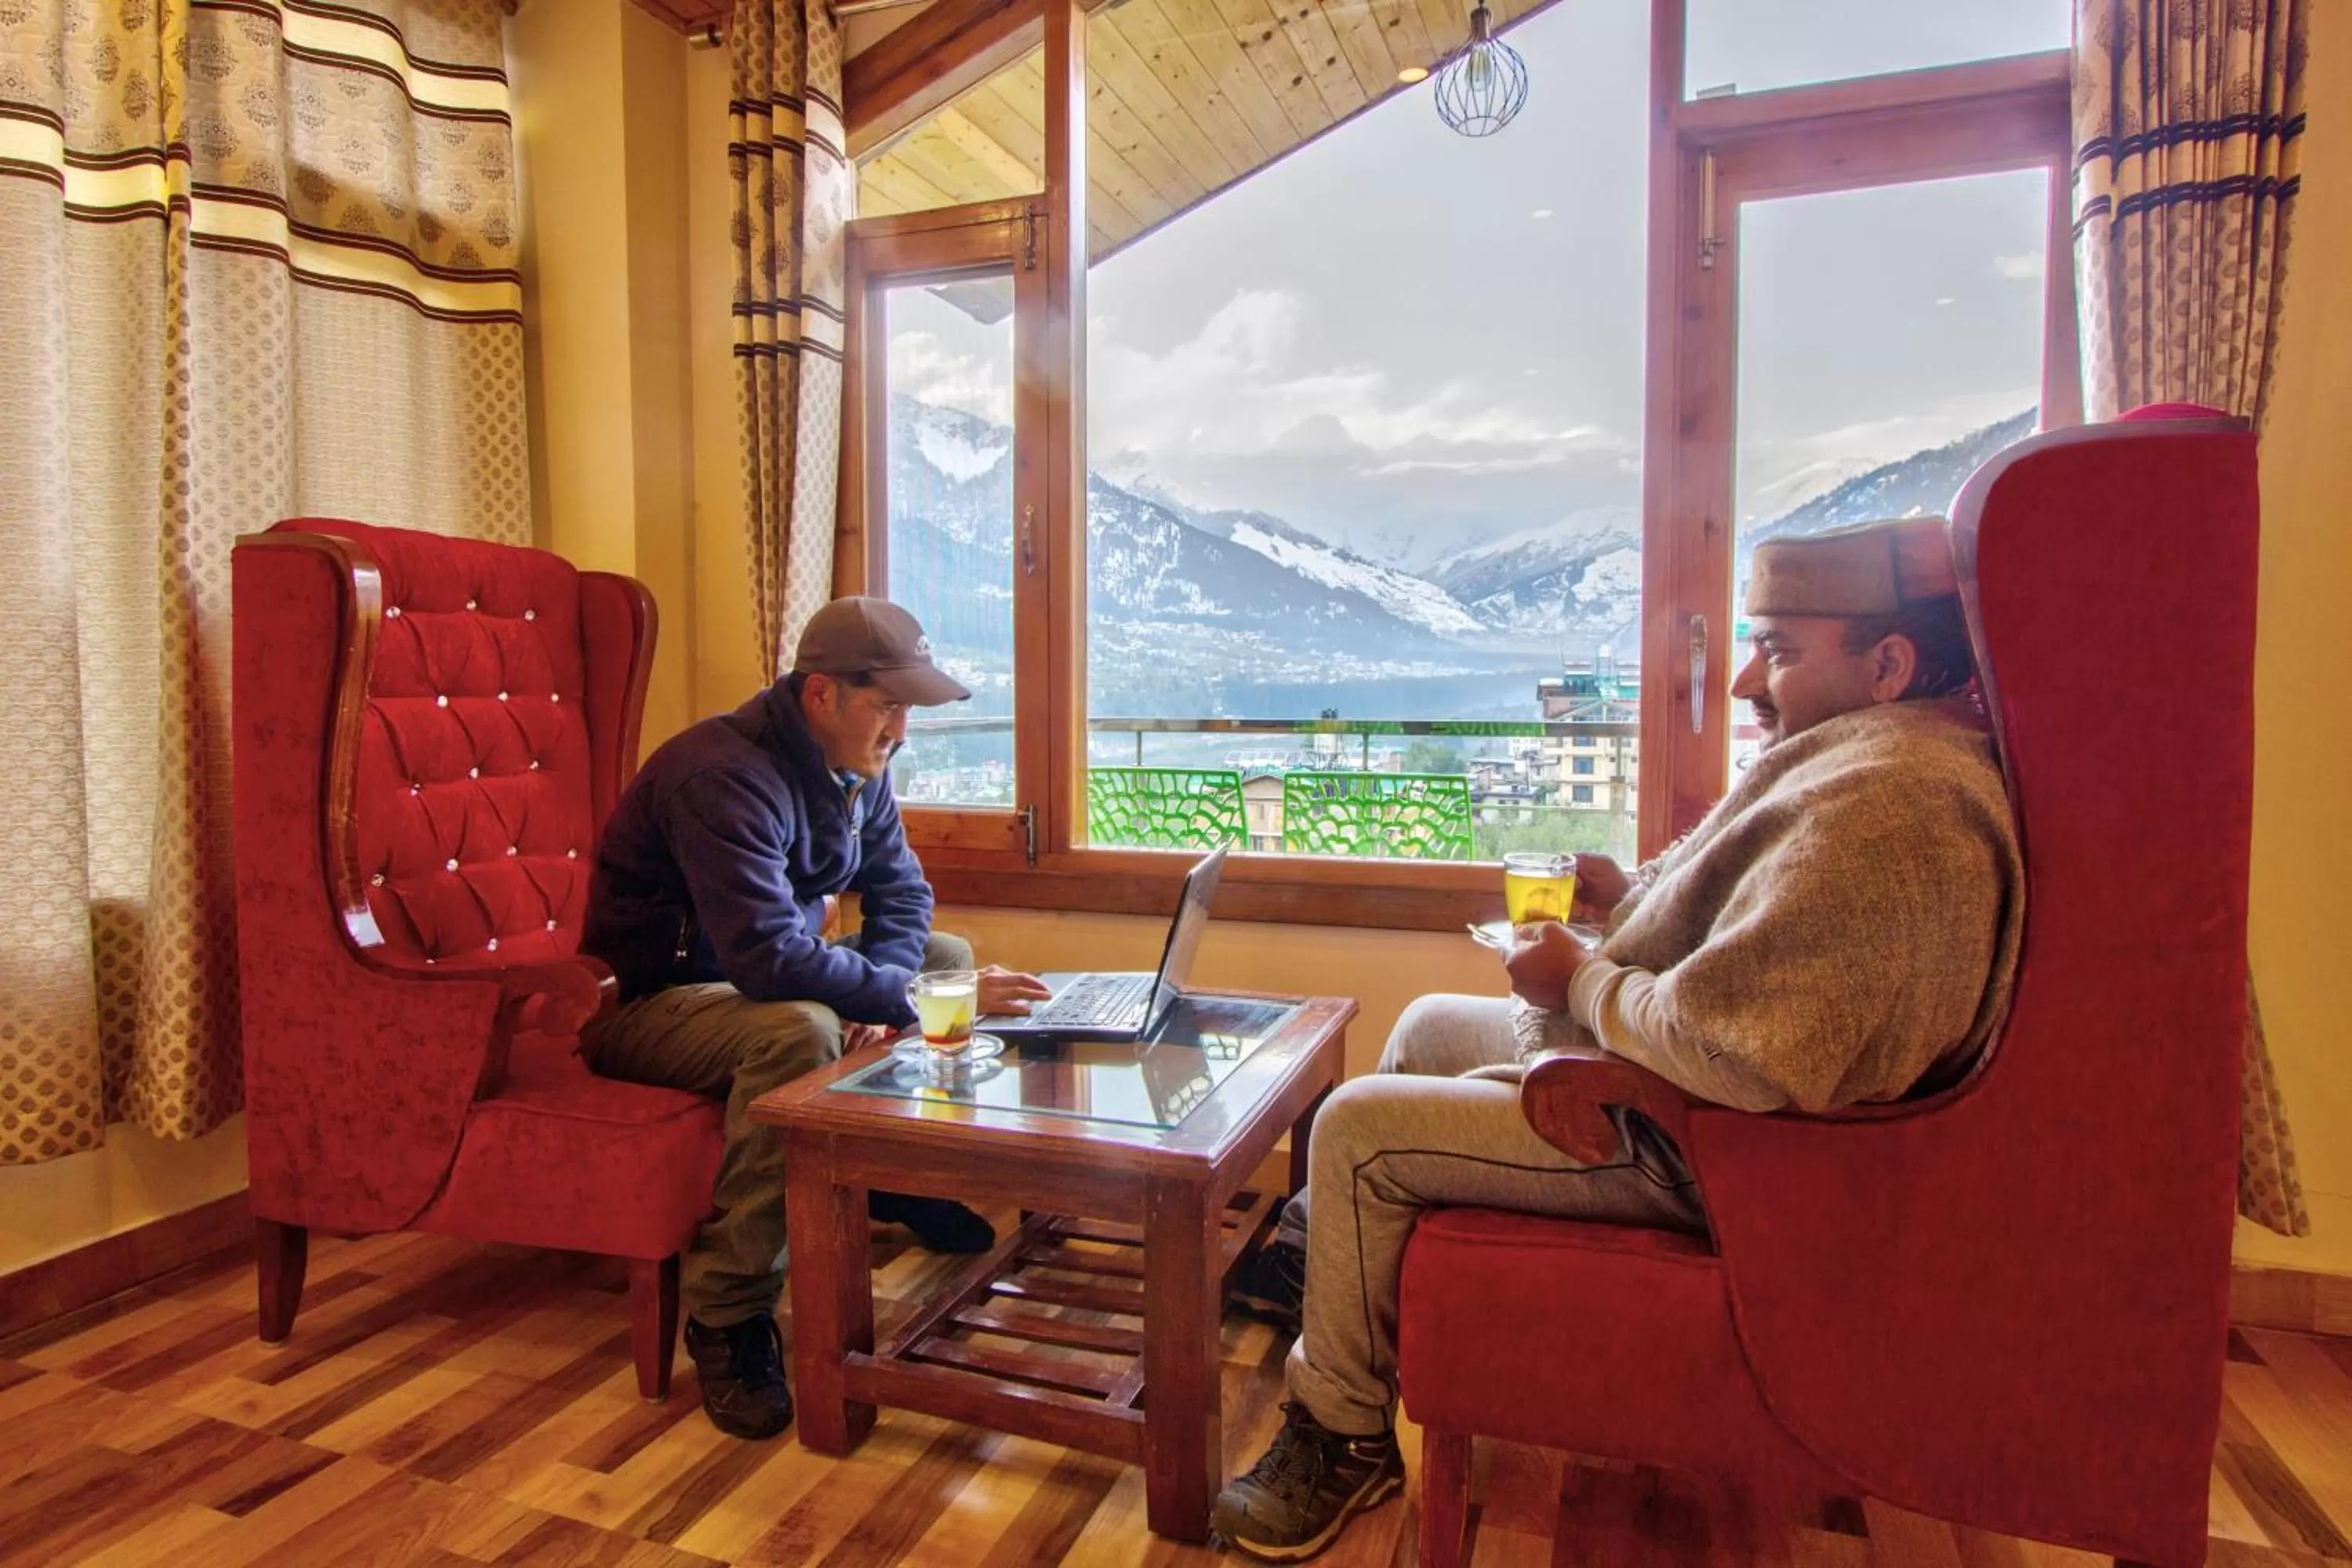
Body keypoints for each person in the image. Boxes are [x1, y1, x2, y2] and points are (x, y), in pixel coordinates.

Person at [1212, 517, 2026, 1559]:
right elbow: (1770, 948)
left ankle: (1343, 1435)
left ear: (1889, 664)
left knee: (1359, 1129)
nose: (1742, 683)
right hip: (1696, 1106)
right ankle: (1327, 1282)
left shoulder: (1892, 813)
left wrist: (1584, 982)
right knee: (1423, 1025)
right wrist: (1636, 898)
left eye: (1776, 648)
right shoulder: (1881, 762)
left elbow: (1746, 1048)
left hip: (1712, 1152)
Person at [579, 595, 1051, 1441]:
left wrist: (892, 987)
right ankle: (727, 1312)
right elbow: (765, 959)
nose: (902, 729)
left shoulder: (858, 765)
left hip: (757, 984)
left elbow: (903, 890)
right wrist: (900, 1002)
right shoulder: (720, 774)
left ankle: (895, 1168)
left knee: (945, 952)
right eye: (890, 705)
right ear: (821, 694)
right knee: (803, 1026)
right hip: (656, 1002)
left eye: (910, 709)